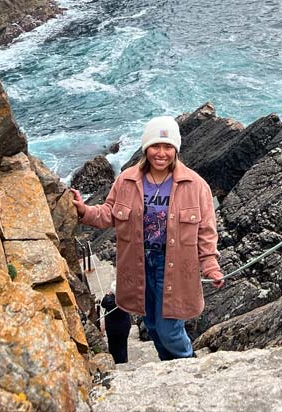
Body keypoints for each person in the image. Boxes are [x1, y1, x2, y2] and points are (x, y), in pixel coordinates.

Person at [71, 116, 224, 361]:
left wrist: (211, 266)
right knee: (152, 326)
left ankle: (188, 365)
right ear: (145, 148)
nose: (161, 153)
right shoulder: (127, 180)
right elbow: (109, 213)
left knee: (169, 329)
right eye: (155, 146)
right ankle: (170, 365)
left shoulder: (196, 186)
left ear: (176, 150)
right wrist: (83, 211)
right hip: (139, 264)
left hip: (173, 266)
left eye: (168, 147)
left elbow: (206, 231)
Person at [101, 280, 131, 364]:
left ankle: (116, 362)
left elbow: (103, 303)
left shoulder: (108, 300)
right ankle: (124, 361)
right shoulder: (125, 300)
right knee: (123, 346)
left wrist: (107, 294)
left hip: (112, 329)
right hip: (124, 327)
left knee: (113, 347)